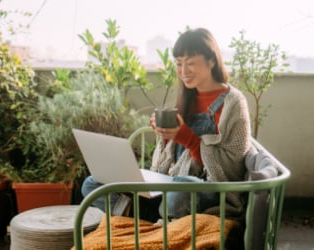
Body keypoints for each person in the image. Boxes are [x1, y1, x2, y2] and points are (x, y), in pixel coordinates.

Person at [81, 27, 251, 222]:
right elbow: (171, 161)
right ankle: (154, 215)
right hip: (171, 186)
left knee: (182, 187)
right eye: (179, 64)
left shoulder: (234, 102)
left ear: (211, 61)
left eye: (191, 63)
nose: (183, 71)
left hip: (210, 191)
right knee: (92, 184)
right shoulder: (187, 97)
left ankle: (148, 215)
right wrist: (165, 135)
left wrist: (185, 137)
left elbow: (232, 169)